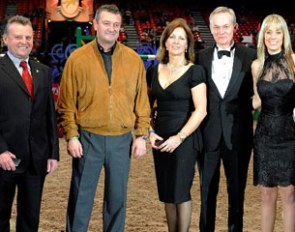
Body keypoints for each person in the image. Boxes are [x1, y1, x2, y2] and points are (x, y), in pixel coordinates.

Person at [56, 4, 151, 232]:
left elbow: (142, 103)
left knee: (117, 199)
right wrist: (71, 135)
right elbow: (66, 104)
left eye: (116, 25)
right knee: (81, 197)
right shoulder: (77, 59)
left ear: (120, 28)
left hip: (121, 140)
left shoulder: (133, 60)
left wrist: (141, 135)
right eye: (106, 23)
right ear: (96, 25)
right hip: (88, 139)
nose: (111, 28)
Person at [195, 6, 256, 231]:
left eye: (226, 26)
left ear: (235, 28)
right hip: (207, 136)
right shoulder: (199, 57)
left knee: (237, 194)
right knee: (206, 193)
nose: (221, 31)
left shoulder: (251, 56)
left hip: (239, 138)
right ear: (210, 28)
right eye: (216, 27)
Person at [147, 18, 207, 232]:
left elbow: (201, 110)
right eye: (172, 36)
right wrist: (150, 132)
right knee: (167, 193)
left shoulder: (195, 71)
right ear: (165, 41)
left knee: (180, 192)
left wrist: (179, 137)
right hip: (160, 140)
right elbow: (144, 106)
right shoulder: (153, 71)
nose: (176, 41)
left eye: (181, 38)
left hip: (185, 140)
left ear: (187, 44)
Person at [0, 15, 59, 232]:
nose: (24, 41)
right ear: (6, 39)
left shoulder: (42, 71)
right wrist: (1, 151)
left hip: (36, 159)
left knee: (30, 218)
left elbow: (48, 116)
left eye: (28, 37)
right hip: (4, 159)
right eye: (18, 37)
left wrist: (53, 153)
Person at [251, 14, 295, 232]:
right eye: (269, 32)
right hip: (265, 136)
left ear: (284, 35)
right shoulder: (256, 66)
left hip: (290, 136)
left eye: (278, 32)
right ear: (263, 36)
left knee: (289, 195)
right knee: (267, 195)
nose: (273, 36)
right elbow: (257, 101)